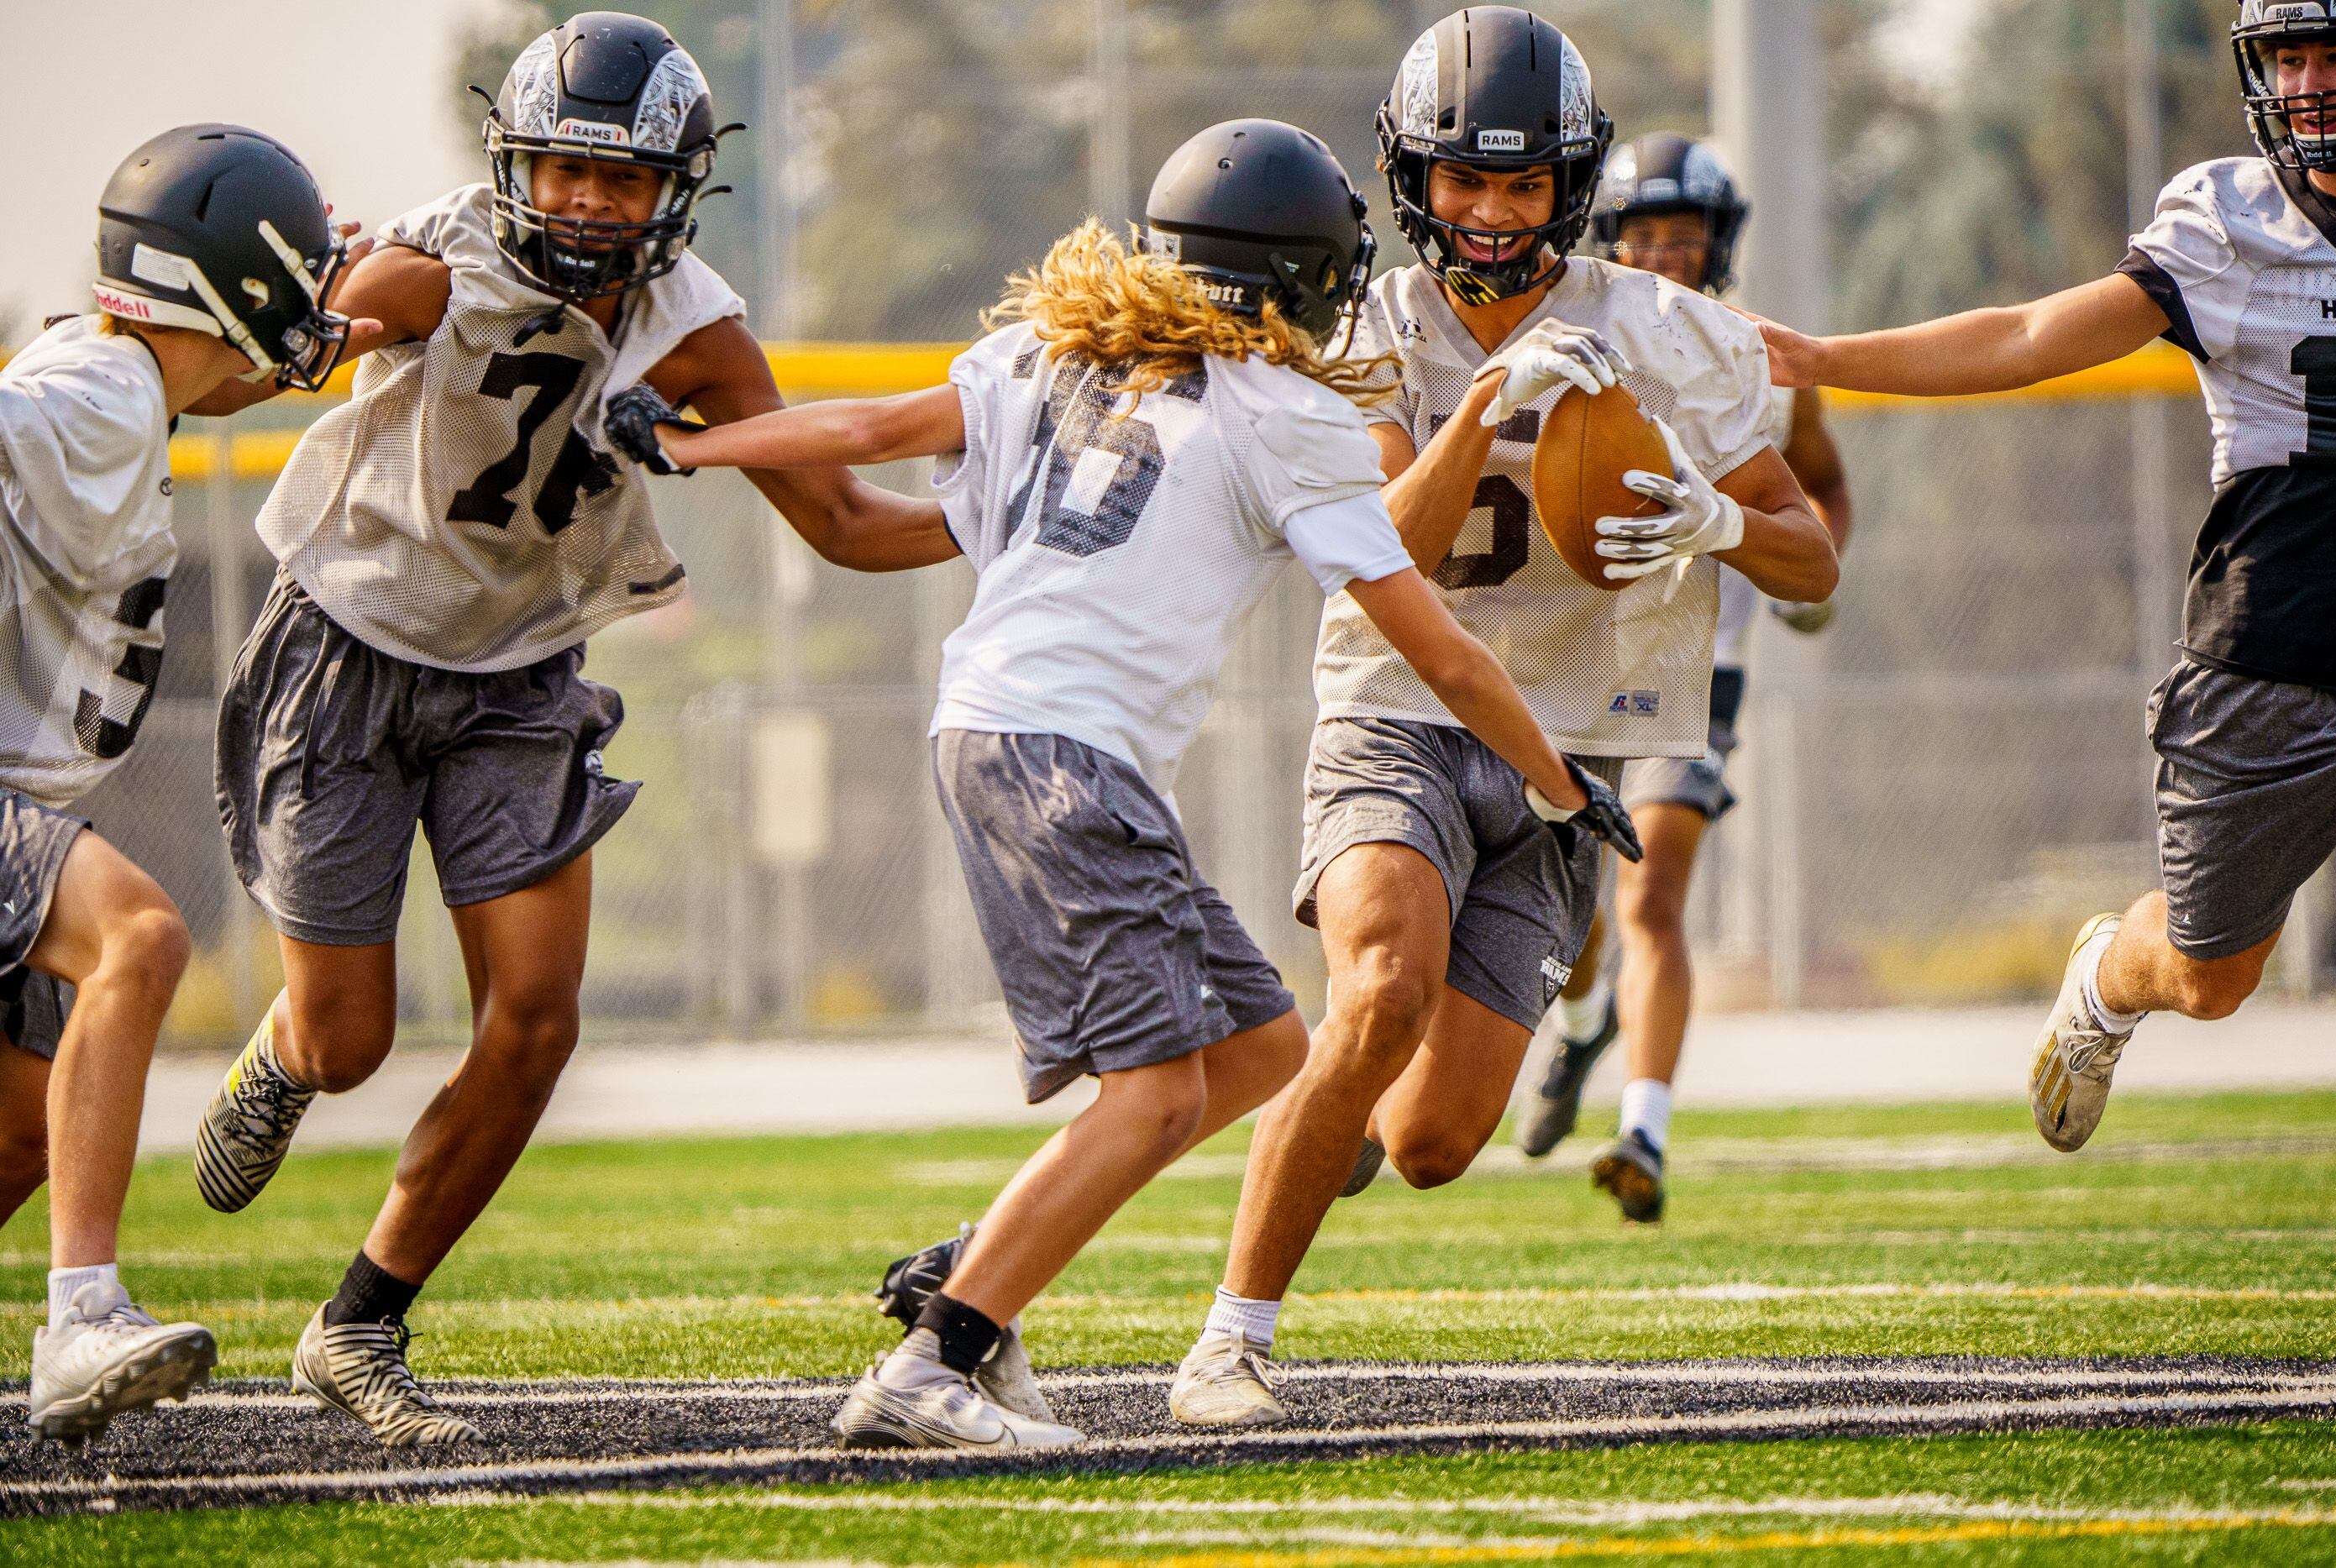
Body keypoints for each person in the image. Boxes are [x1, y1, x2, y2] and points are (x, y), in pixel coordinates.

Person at [608, 117, 1635, 1450]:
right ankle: (937, 1358)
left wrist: (693, 449)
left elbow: (859, 424)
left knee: (1263, 1049)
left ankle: (975, 1269)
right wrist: (1560, 782)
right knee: (1152, 1096)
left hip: (992, 729)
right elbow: (1433, 639)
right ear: (1307, 276)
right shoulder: (1286, 415)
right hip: (1067, 755)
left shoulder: (1048, 348)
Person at [187, 13, 951, 1448]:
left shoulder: (698, 330)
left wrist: (1007, 520)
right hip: (346, 642)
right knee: (350, 1042)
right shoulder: (438, 258)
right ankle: (290, 1055)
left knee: (535, 1026)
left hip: (523, 670)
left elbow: (843, 525)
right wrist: (264, 329)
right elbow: (289, 350)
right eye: (563, 171)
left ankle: (359, 1323)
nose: (590, 204)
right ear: (513, 167)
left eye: (622, 180)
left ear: (679, 186)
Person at [1170, 8, 1839, 1430]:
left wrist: (1721, 517)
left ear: (1568, 184)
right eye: (1463, 181)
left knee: (1427, 1145)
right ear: (1413, 176)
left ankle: (1338, 1115)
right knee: (1383, 989)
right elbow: (1380, 543)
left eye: (1521, 183)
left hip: (1566, 756)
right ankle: (1231, 1342)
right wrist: (1488, 404)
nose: (1487, 213)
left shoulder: (1662, 331)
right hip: (1396, 711)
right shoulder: (1356, 321)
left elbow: (1812, 554)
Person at [1753, 0, 2336, 1156]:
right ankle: (2106, 985)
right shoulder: (2233, 225)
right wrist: (1826, 359)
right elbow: (2031, 335)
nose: (2313, 82)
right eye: (2292, 57)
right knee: (2212, 972)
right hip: (2276, 645)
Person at [3, 123, 354, 1442]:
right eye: (296, 291)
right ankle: (81, 1316)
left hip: (27, 802)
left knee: (22, 1138)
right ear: (236, 288)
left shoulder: (109, 374)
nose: (309, 331)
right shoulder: (92, 397)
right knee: (140, 937)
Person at [1514, 133, 1856, 1224]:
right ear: (1608, 245)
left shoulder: (1757, 359)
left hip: (1697, 661)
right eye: (1642, 241)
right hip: (1572, 655)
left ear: (1721, 248)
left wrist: (1803, 575)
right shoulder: (1564, 342)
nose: (1663, 262)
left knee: (1652, 891)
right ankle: (1578, 1027)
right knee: (1573, 924)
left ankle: (1644, 1129)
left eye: (1684, 241)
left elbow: (1825, 492)